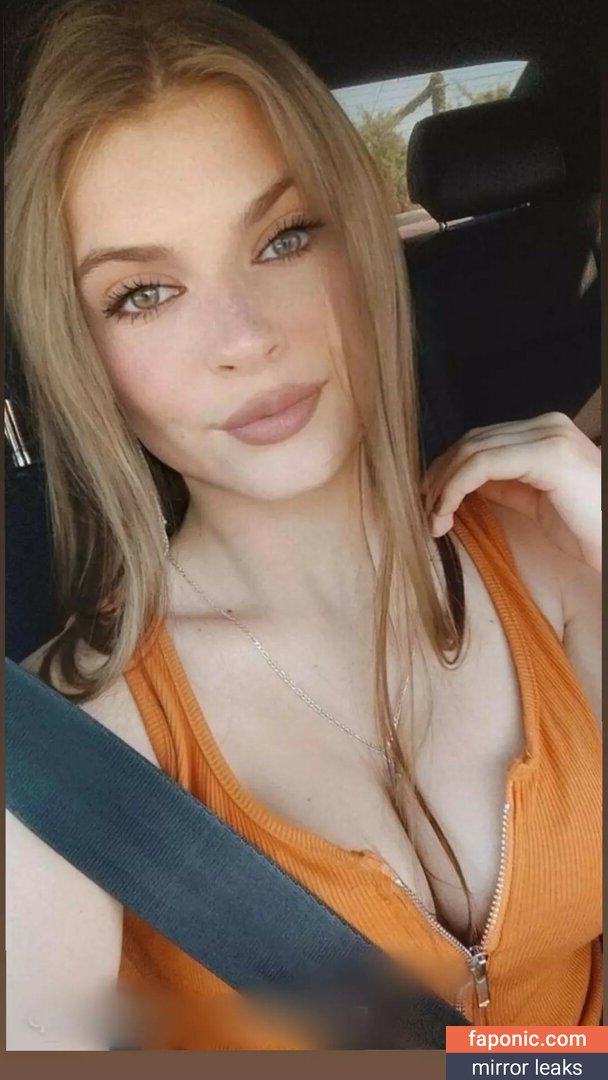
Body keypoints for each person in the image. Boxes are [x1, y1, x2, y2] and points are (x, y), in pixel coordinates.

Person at [5, 0, 601, 1051]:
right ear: (80, 353)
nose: (243, 337)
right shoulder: (71, 755)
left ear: (362, 242)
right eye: (143, 294)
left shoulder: (555, 556)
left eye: (283, 238)